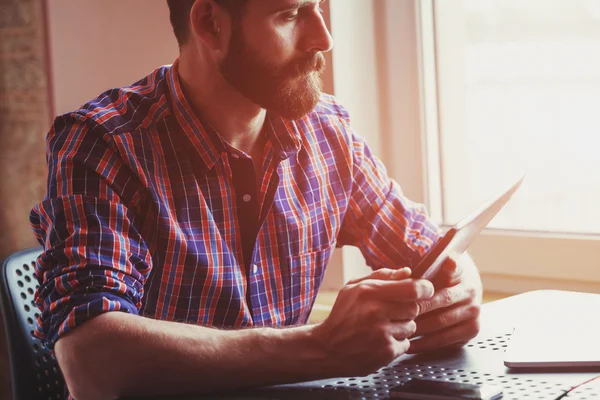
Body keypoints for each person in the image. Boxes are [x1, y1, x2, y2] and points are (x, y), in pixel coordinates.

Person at [29, 1, 482, 399]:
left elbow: (435, 256)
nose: (322, 38)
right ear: (210, 24)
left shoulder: (328, 133)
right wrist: (322, 347)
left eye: (318, 6)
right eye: (290, 14)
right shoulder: (101, 144)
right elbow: (90, 359)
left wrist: (459, 293)